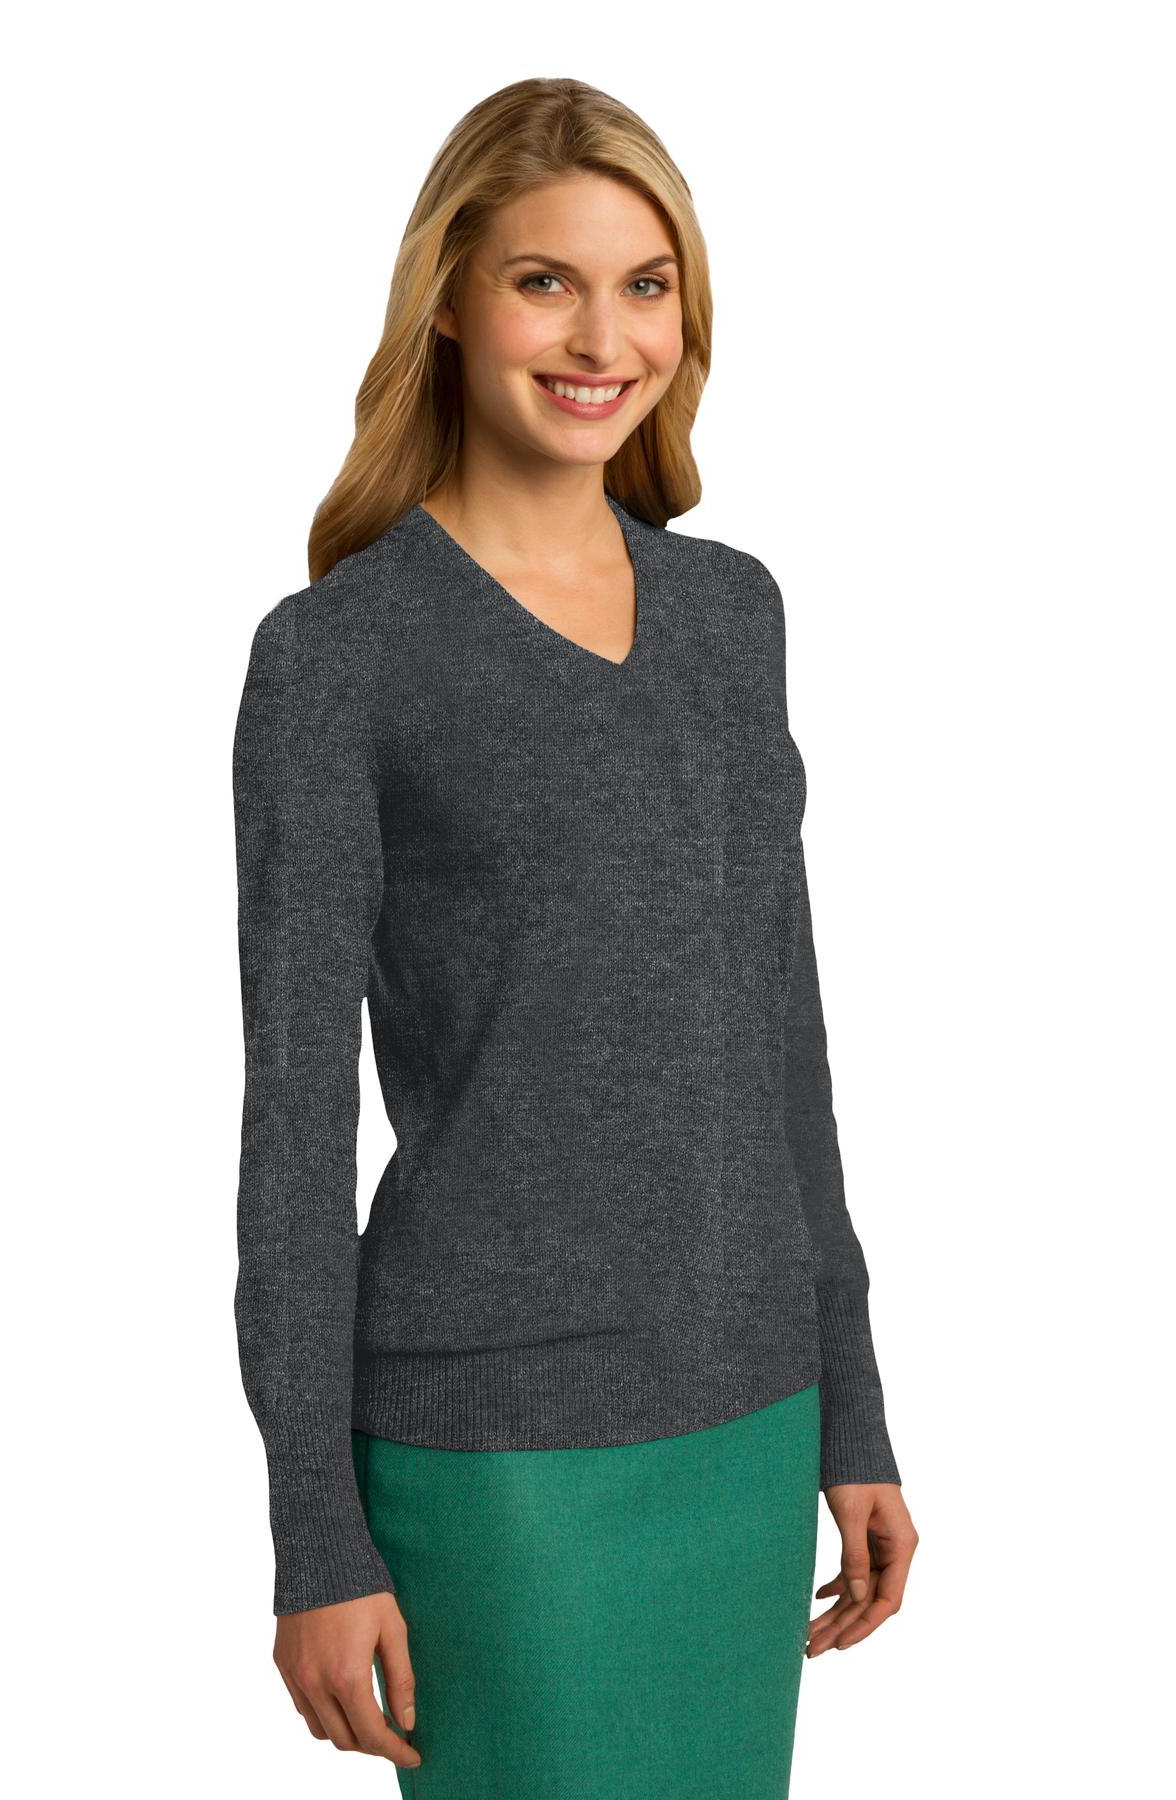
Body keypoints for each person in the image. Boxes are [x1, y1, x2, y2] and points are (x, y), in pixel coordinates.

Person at [231, 75, 918, 1798]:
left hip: (746, 1420)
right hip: (492, 1451)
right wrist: (313, 1526)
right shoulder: (338, 658)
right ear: (450, 301)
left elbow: (784, 1042)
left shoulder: (729, 615)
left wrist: (852, 1403)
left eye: (646, 284)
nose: (603, 338)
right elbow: (295, 1129)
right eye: (546, 281)